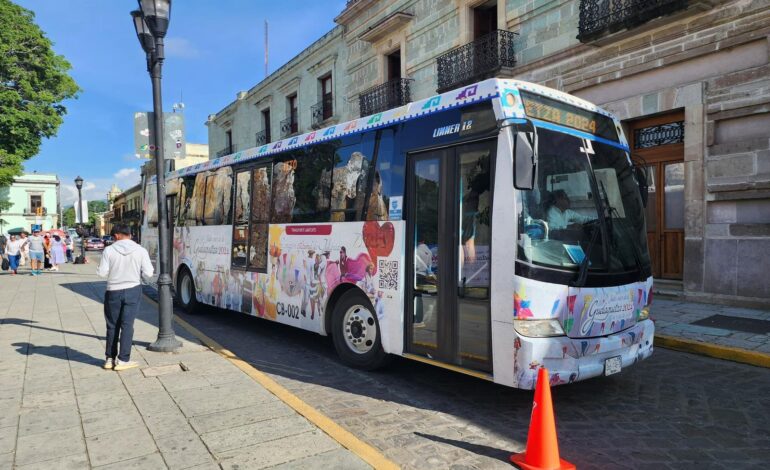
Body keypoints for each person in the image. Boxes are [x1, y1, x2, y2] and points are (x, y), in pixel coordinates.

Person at [96, 224, 154, 371]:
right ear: (130, 234)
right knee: (127, 325)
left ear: (116, 235)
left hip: (113, 291)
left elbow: (102, 273)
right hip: (133, 290)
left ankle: (109, 359)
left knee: (112, 326)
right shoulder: (141, 250)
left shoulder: (108, 250)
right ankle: (123, 360)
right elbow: (149, 272)